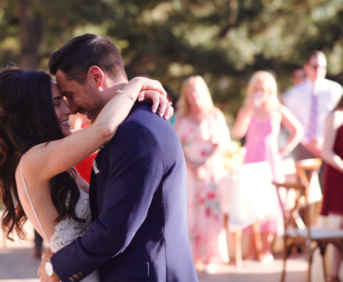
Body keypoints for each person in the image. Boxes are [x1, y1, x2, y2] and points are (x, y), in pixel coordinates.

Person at [38, 34, 198, 282]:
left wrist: (57, 267)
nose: (71, 108)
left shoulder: (136, 132)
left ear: (96, 77)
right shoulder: (129, 124)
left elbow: (115, 229)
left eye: (70, 94)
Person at [233, 71, 304, 263]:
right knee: (250, 201)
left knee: (271, 203)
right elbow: (237, 132)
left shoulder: (277, 109)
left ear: (270, 90)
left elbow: (298, 130)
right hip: (251, 159)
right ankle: (252, 249)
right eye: (256, 88)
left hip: (271, 160)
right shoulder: (247, 109)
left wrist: (284, 149)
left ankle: (266, 249)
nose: (260, 92)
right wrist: (248, 111)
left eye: (263, 88)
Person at [174, 75, 230, 273]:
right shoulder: (181, 117)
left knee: (210, 212)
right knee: (189, 212)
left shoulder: (214, 115)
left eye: (197, 91)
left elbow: (223, 143)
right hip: (188, 170)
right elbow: (176, 145)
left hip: (210, 170)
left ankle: (210, 257)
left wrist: (204, 164)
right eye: (190, 92)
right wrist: (192, 164)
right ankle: (190, 256)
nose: (194, 95)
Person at [284, 51, 343, 184]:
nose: (319, 71)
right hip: (303, 145)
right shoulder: (294, 94)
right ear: (306, 67)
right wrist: (308, 141)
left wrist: (323, 142)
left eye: (323, 67)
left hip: (328, 145)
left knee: (328, 185)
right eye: (315, 66)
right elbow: (292, 122)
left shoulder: (335, 90)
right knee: (302, 187)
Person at [320, 96, 343, 282]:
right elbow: (326, 151)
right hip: (338, 175)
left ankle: (334, 274)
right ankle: (333, 275)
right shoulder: (336, 116)